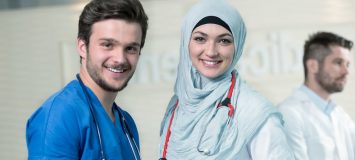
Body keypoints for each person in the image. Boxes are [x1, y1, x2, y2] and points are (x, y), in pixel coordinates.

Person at [158, 0, 294, 159]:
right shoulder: (177, 106)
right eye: (200, 39)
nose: (211, 51)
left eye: (224, 41)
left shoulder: (255, 113)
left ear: (238, 45)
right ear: (186, 42)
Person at [26, 0, 148, 159]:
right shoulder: (60, 117)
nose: (120, 59)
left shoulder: (127, 124)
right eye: (107, 45)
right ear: (82, 47)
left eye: (130, 48)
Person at [278, 31, 354, 160]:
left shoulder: (342, 117)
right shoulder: (288, 114)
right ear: (313, 66)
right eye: (338, 62)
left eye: (347, 64)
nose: (346, 71)